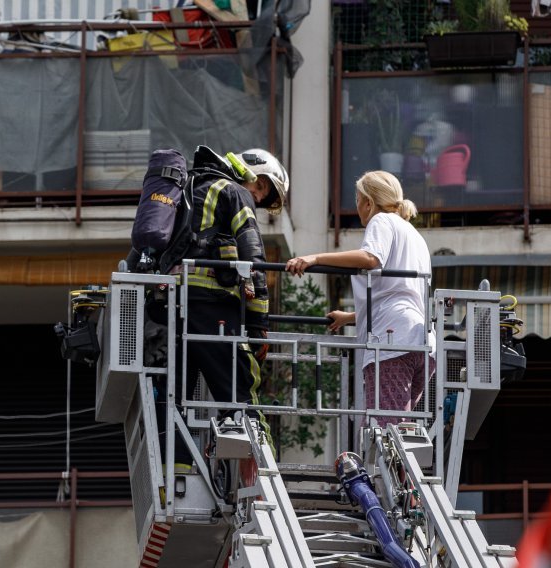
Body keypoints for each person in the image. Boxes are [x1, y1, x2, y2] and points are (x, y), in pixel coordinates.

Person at [165, 146, 289, 470]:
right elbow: (254, 258)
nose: (258, 198)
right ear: (250, 172)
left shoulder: (189, 187)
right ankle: (265, 477)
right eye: (262, 187)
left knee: (175, 400)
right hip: (214, 309)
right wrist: (260, 323)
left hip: (173, 308)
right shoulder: (235, 193)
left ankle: (176, 477)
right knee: (241, 393)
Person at [285, 170, 434, 426]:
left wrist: (315, 258)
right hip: (421, 342)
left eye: (357, 199)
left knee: (386, 432)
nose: (357, 207)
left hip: (391, 342)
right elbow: (400, 294)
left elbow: (371, 258)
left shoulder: (381, 221)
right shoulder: (413, 234)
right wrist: (350, 318)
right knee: (399, 430)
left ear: (369, 202)